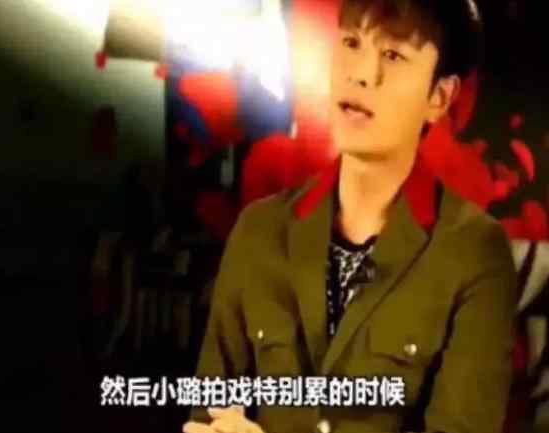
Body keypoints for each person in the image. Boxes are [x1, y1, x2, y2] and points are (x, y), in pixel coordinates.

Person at [183, 1, 517, 433]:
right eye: (352, 43)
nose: (360, 73)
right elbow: (207, 415)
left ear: (439, 97)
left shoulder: (474, 252)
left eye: (392, 54)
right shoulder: (259, 230)